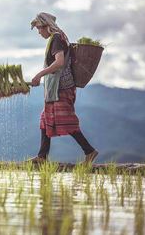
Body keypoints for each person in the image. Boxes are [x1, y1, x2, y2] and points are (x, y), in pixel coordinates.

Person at [28, 12, 98, 164]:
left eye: (40, 28)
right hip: (57, 87)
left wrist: (39, 75)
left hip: (62, 87)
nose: (39, 32)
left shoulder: (57, 39)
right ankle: (42, 156)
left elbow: (59, 62)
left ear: (47, 26)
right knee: (45, 119)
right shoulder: (59, 37)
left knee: (67, 121)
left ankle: (90, 151)